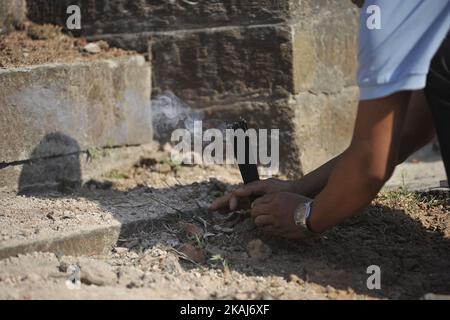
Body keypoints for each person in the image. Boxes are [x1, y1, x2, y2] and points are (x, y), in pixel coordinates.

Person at [209, 0, 450, 239]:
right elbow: (410, 129)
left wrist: (304, 216)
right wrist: (298, 189)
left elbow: (370, 169)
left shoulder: (388, 11)